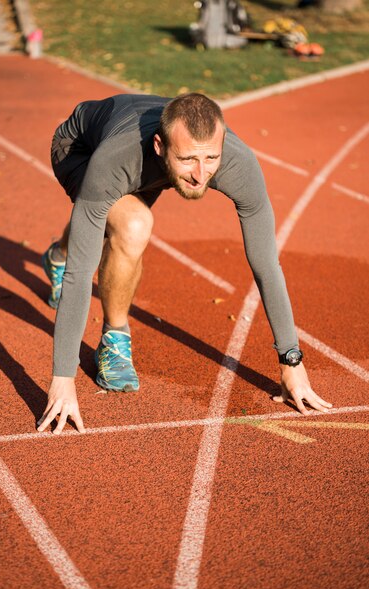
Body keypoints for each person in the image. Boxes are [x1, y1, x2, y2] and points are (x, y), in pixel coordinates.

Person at [37, 92, 331, 434]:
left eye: (211, 158)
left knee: (105, 213)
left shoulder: (237, 163)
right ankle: (115, 336)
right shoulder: (117, 158)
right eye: (189, 159)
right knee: (132, 224)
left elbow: (266, 265)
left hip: (147, 166)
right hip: (81, 148)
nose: (200, 174)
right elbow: (80, 274)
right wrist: (62, 378)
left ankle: (60, 250)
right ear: (161, 146)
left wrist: (291, 361)